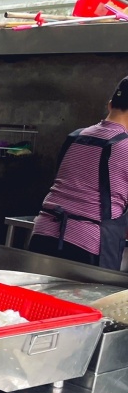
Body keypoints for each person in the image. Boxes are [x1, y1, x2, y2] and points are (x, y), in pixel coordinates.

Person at [29, 76, 128, 269]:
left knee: (39, 299)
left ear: (110, 105)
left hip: (43, 235)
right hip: (88, 247)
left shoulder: (75, 137)